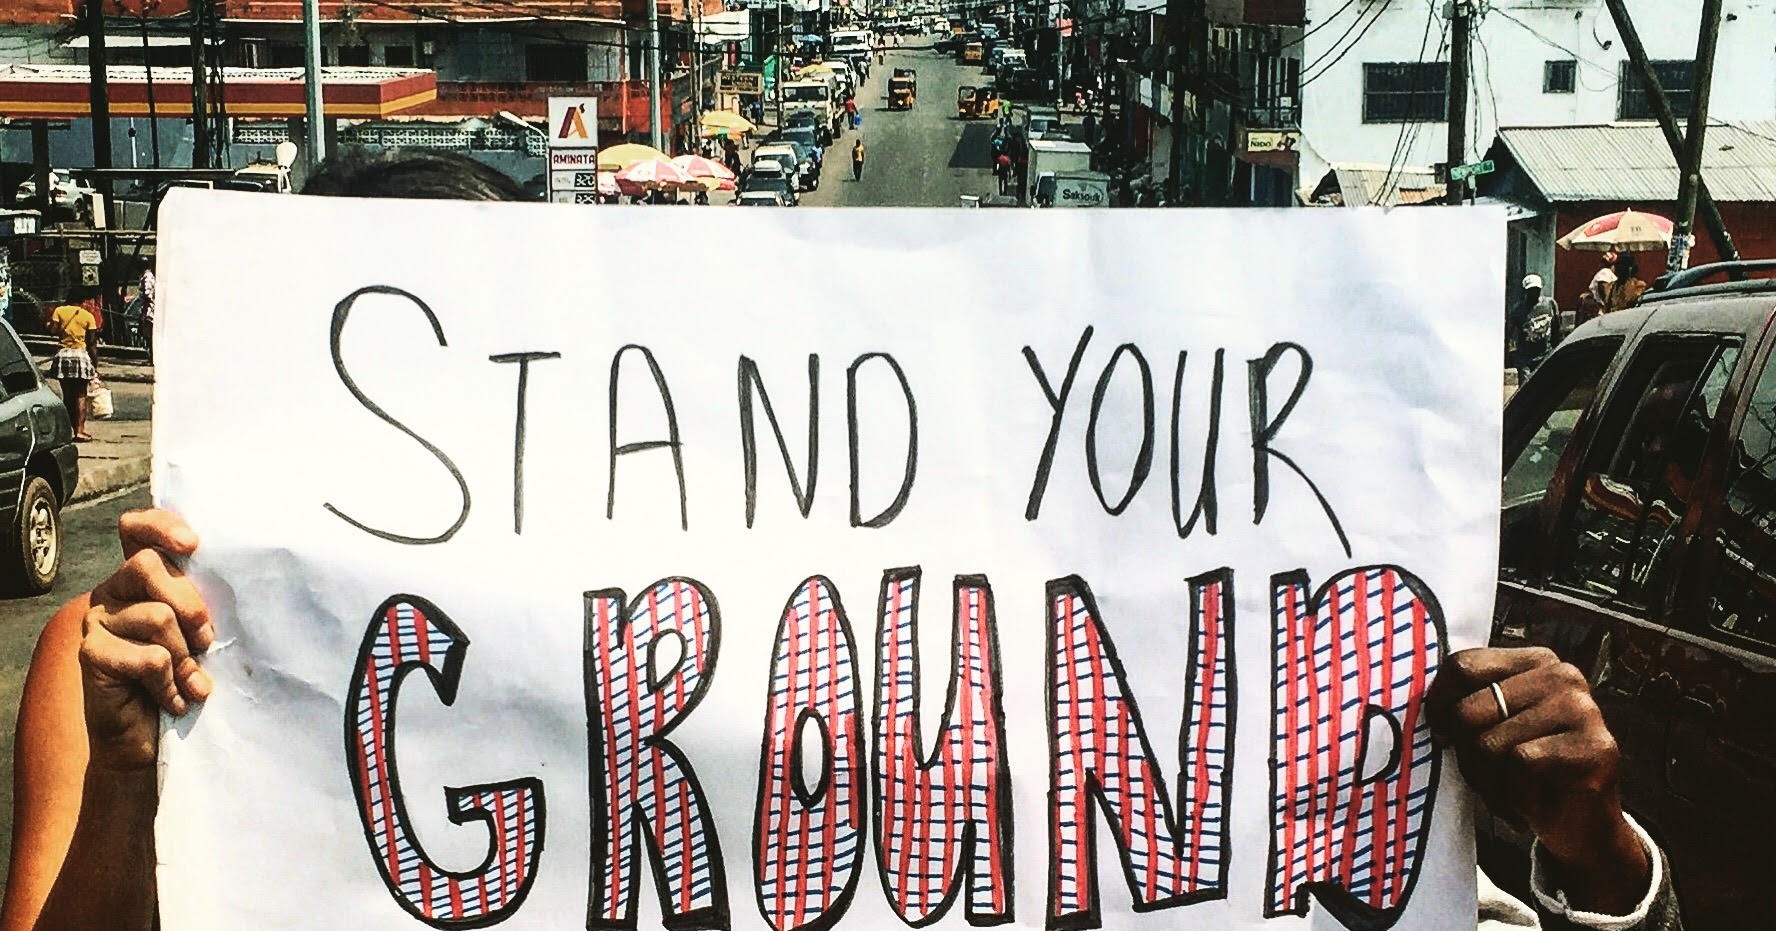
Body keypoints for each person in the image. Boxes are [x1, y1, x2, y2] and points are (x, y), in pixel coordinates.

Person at [43, 292, 99, 441]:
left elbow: (53, 331)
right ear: (82, 302)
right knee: (81, 395)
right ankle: (79, 430)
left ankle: (66, 431)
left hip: (63, 356)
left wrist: (48, 324)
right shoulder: (88, 316)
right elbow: (92, 343)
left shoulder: (59, 311)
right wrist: (95, 364)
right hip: (80, 356)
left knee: (67, 395)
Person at [1507, 274, 1560, 377]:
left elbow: (1556, 329)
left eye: (1537, 289)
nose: (1534, 292)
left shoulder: (1550, 304)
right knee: (1526, 383)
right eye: (1531, 290)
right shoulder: (1518, 310)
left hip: (1545, 355)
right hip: (1525, 358)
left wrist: (1555, 350)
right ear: (1525, 290)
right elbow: (1509, 334)